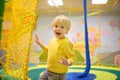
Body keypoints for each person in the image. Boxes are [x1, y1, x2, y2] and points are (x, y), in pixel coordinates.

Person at [35, 15, 76, 80]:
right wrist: (39, 43)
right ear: (52, 27)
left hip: (58, 73)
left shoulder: (66, 42)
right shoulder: (52, 40)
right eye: (56, 26)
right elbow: (48, 50)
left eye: (62, 27)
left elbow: (72, 57)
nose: (58, 29)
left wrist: (68, 62)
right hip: (48, 70)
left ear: (67, 30)